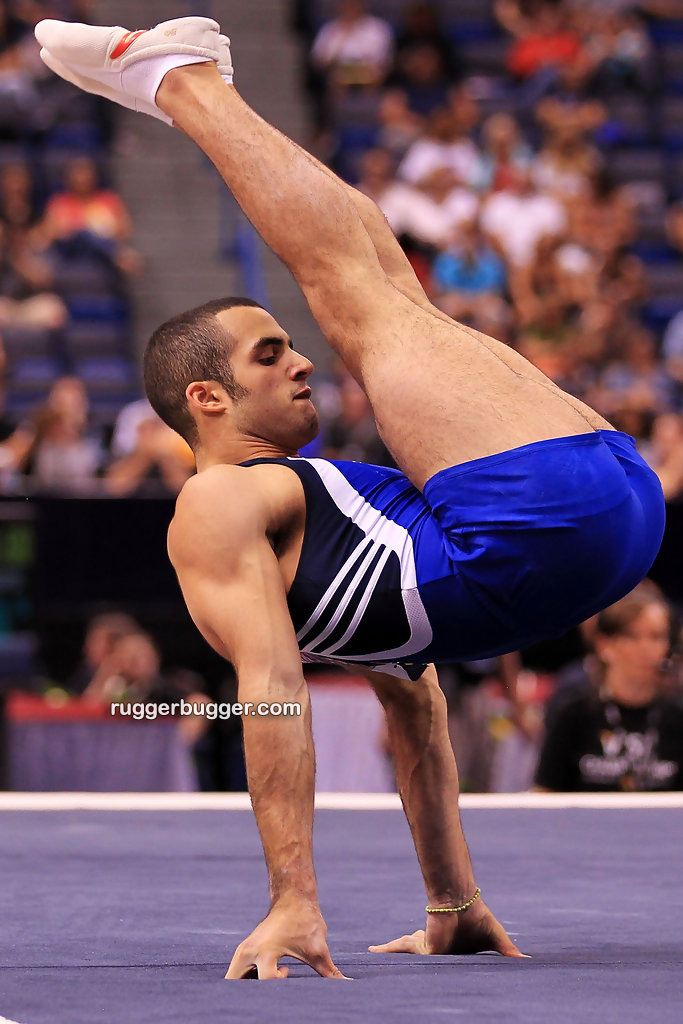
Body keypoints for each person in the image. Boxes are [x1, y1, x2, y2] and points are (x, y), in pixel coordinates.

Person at [36, 16, 666, 981]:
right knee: (362, 293)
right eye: (267, 356)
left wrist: (447, 898)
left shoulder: (316, 503)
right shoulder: (216, 507)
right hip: (561, 517)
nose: (300, 365)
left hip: (574, 515)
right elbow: (282, 696)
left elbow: (411, 709)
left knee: (382, 292)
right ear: (206, 400)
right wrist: (300, 896)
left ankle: (191, 80)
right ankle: (184, 81)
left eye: (288, 347)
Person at [535, 582, 683, 792]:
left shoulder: (677, 714)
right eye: (632, 636)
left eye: (656, 637)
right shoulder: (574, 711)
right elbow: (544, 793)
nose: (647, 649)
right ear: (605, 645)